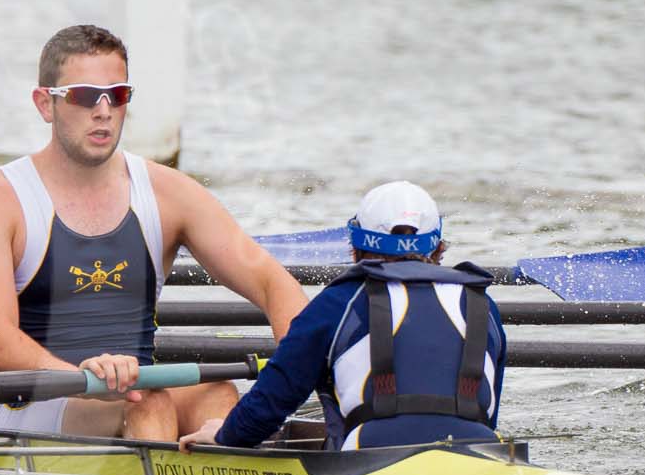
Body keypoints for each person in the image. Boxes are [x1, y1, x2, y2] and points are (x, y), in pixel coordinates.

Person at [0, 24, 307, 440]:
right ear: (45, 104)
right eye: (84, 96)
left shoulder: (169, 193)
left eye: (117, 96)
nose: (103, 110)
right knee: (147, 399)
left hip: (133, 398)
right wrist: (86, 379)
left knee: (216, 392)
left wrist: (290, 378)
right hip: (29, 405)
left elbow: (274, 286)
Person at [181, 182, 507, 452]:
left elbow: (270, 404)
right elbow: (486, 412)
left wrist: (225, 436)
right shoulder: (483, 305)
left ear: (356, 249)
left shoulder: (338, 302)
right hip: (480, 452)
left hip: (368, 459)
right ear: (438, 249)